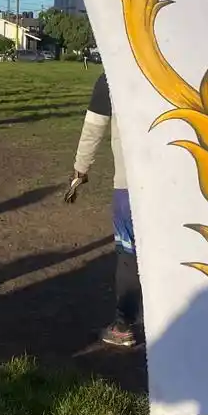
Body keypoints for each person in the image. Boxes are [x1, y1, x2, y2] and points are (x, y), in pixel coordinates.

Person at [64, 72, 142, 347]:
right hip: (184, 184)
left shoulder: (113, 73)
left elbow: (94, 127)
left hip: (131, 188)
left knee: (129, 255)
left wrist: (80, 168)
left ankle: (123, 325)